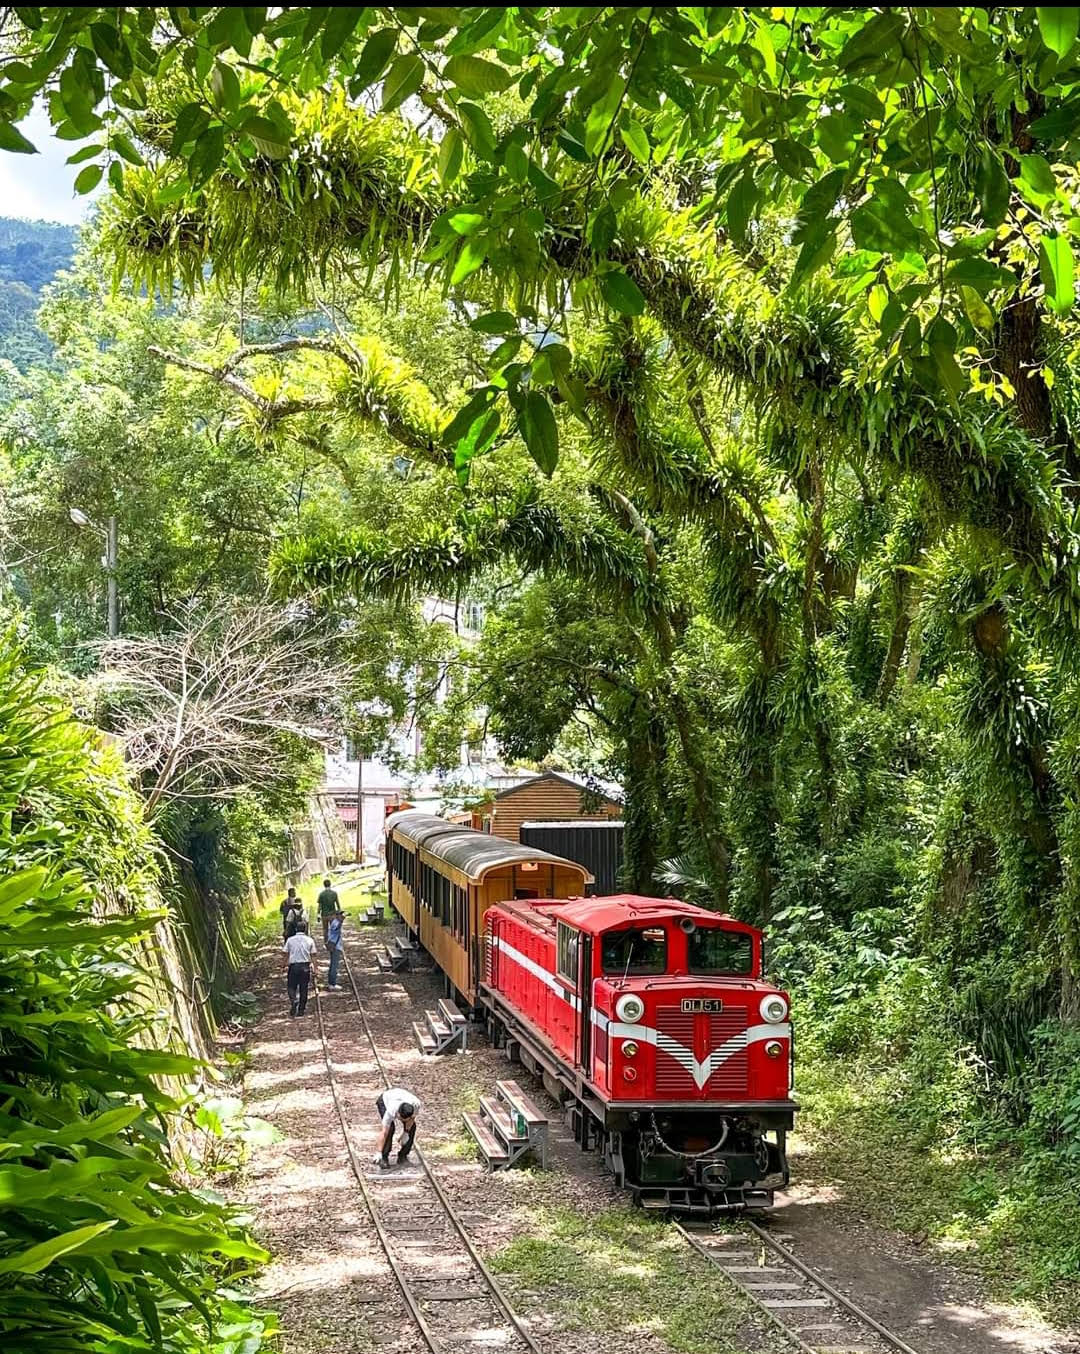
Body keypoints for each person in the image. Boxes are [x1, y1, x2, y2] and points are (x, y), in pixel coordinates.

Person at [372, 1088, 421, 1168]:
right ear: (398, 1113)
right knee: (390, 1129)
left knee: (412, 1128)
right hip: (384, 1100)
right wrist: (378, 1152)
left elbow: (412, 1119)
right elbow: (384, 1132)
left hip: (399, 1097)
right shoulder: (391, 1110)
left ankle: (403, 1156)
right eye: (401, 1118)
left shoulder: (416, 1105)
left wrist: (406, 1133)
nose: (401, 1121)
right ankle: (384, 1157)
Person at [282, 918, 316, 1017]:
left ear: (296, 929)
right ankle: (301, 1010)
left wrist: (283, 965)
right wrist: (315, 968)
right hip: (305, 966)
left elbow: (286, 954)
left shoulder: (290, 940)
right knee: (303, 988)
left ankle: (294, 1000)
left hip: (294, 966)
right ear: (305, 929)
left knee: (291, 986)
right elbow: (313, 955)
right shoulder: (310, 940)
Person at [317, 876, 340, 944]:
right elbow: (338, 904)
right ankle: (333, 941)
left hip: (324, 915)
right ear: (330, 884)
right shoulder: (334, 893)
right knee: (333, 928)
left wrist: (318, 915)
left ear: (324, 885)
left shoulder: (321, 894)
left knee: (325, 929)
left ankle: (326, 942)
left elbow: (320, 906)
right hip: (332, 914)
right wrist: (339, 912)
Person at [326, 909, 345, 989]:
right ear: (337, 916)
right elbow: (337, 928)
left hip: (334, 946)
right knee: (334, 965)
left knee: (333, 964)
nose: (342, 916)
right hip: (335, 947)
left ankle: (331, 981)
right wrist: (341, 921)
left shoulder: (335, 922)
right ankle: (332, 983)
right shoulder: (336, 923)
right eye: (341, 915)